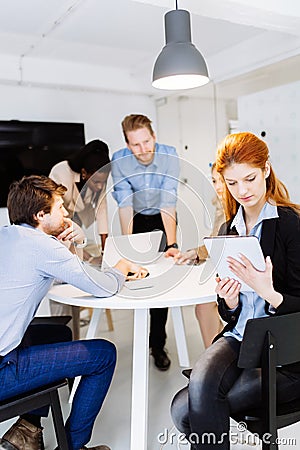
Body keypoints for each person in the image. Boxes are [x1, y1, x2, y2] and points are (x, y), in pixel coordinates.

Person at [171, 132, 300, 450]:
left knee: (189, 411)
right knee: (181, 408)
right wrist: (228, 299)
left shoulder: (290, 225)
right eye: (232, 183)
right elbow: (229, 311)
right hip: (242, 338)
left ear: (266, 169)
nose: (242, 191)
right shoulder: (227, 231)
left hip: (285, 353)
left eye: (250, 178)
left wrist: (268, 292)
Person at [0, 175, 147, 450]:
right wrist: (122, 266)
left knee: (58, 333)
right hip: (1, 370)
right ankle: (74, 446)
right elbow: (103, 286)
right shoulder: (42, 246)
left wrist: (69, 245)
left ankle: (27, 431)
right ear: (40, 214)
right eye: (59, 208)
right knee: (104, 355)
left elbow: (57, 275)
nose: (67, 213)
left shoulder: (9, 235)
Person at [111, 114, 180, 371]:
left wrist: (171, 245)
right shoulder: (120, 161)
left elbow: (168, 202)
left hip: (164, 219)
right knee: (137, 277)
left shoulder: (169, 155)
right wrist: (129, 246)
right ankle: (141, 334)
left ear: (154, 136)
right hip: (137, 219)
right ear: (128, 145)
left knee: (161, 280)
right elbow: (125, 206)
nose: (143, 149)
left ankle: (157, 344)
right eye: (136, 144)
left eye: (147, 141)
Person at [166, 163, 224, 348]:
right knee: (203, 307)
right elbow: (216, 242)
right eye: (214, 181)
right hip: (222, 269)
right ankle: (216, 356)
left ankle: (215, 358)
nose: (218, 186)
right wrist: (194, 254)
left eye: (222, 180)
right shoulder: (221, 203)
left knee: (205, 306)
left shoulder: (241, 205)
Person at [49, 139, 110, 261]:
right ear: (84, 173)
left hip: (78, 214)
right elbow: (53, 208)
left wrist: (106, 251)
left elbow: (101, 210)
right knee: (64, 249)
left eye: (103, 182)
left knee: (78, 245)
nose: (100, 187)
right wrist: (91, 259)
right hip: (58, 213)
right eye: (96, 182)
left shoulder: (100, 177)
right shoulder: (61, 172)